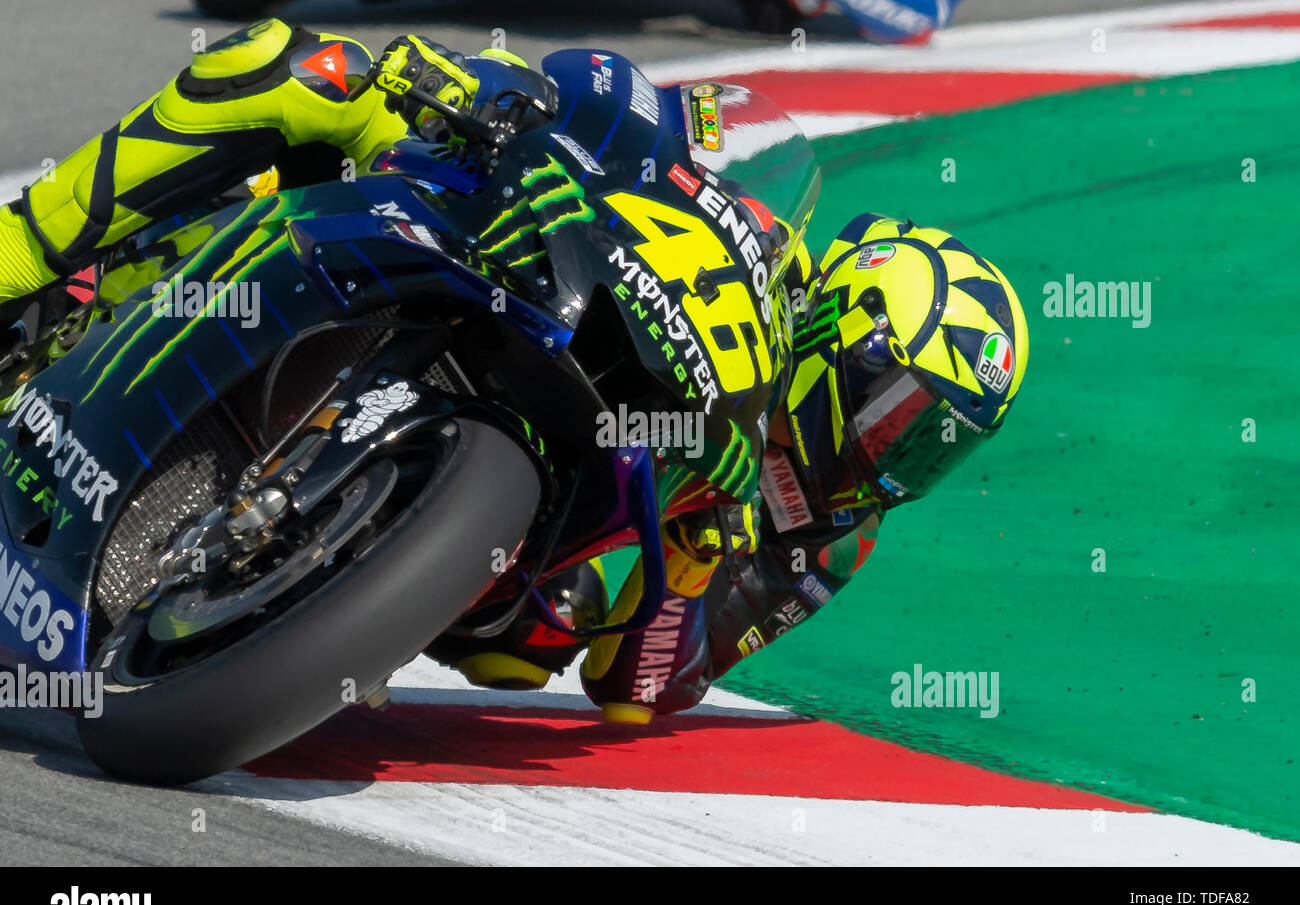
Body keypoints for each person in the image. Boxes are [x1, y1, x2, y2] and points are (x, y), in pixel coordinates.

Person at [0, 20, 1028, 723]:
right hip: (520, 258)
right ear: (842, 332)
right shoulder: (760, 233)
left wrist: (697, 564)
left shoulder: (825, 542)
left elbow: (637, 688)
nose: (897, 454)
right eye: (904, 411)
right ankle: (22, 255)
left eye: (938, 444)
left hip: (515, 555)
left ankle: (291, 583)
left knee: (527, 646)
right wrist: (498, 97)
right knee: (297, 69)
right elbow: (638, 108)